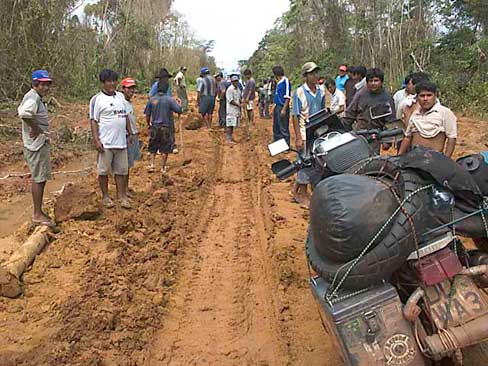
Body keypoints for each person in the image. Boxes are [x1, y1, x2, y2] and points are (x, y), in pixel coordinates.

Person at [90, 69, 134, 209]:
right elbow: (93, 120)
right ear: (103, 83)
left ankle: (121, 196)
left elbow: (125, 115)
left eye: (114, 81)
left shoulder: (121, 97)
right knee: (103, 171)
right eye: (109, 81)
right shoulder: (97, 99)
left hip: (121, 141)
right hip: (106, 142)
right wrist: (96, 140)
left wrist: (130, 132)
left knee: (121, 170)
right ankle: (105, 197)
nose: (112, 84)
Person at [18, 69, 55, 226]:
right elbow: (25, 114)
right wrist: (36, 128)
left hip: (38, 143)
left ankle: (38, 212)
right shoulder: (33, 98)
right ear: (35, 84)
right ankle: (37, 214)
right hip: (35, 145)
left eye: (48, 84)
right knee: (39, 178)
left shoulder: (35, 97)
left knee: (40, 177)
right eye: (43, 85)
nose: (46, 88)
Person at [291, 62, 326, 208]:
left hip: (318, 132)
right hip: (305, 133)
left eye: (316, 73)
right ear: (306, 76)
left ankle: (295, 191)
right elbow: (295, 115)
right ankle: (303, 194)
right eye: (312, 73)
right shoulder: (299, 92)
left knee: (317, 162)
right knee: (305, 162)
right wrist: (298, 137)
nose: (315, 76)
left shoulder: (321, 91)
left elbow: (323, 110)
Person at [344, 68, 396, 152]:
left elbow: (390, 122)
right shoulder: (360, 94)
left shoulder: (387, 98)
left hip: (375, 136)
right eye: (371, 81)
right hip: (359, 134)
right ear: (367, 82)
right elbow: (349, 114)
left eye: (376, 81)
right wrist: (344, 132)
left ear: (381, 82)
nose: (373, 83)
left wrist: (387, 141)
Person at [398, 81, 457, 157]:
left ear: (435, 95)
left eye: (429, 95)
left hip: (434, 160)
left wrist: (446, 161)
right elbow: (407, 137)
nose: (425, 99)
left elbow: (451, 138)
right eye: (422, 96)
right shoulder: (415, 114)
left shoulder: (445, 113)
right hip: (414, 158)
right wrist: (398, 157)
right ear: (417, 97)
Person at [145, 80, 182, 172]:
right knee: (164, 148)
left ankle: (152, 164)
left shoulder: (152, 100)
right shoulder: (169, 100)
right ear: (166, 89)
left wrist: (148, 124)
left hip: (154, 126)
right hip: (165, 127)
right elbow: (179, 110)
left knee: (153, 146)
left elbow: (147, 114)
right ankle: (162, 167)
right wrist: (179, 104)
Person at [121, 77, 141, 196]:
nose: (131, 91)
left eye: (133, 88)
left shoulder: (128, 103)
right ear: (123, 89)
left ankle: (126, 188)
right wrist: (130, 134)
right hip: (127, 136)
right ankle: (123, 190)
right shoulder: (121, 103)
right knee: (125, 165)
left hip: (132, 135)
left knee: (128, 164)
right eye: (129, 88)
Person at [272, 65, 292, 145]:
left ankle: (286, 145)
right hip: (277, 106)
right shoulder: (278, 82)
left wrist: (284, 109)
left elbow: (287, 96)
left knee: (283, 127)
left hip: (283, 106)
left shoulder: (285, 81)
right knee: (276, 126)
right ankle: (278, 143)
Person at [225, 74, 242, 144]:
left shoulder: (238, 89)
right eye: (234, 81)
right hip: (231, 110)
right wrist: (239, 105)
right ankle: (228, 139)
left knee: (232, 125)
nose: (236, 82)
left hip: (236, 110)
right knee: (230, 125)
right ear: (231, 82)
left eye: (237, 81)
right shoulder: (230, 89)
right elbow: (231, 100)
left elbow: (239, 98)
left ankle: (231, 138)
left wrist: (242, 102)